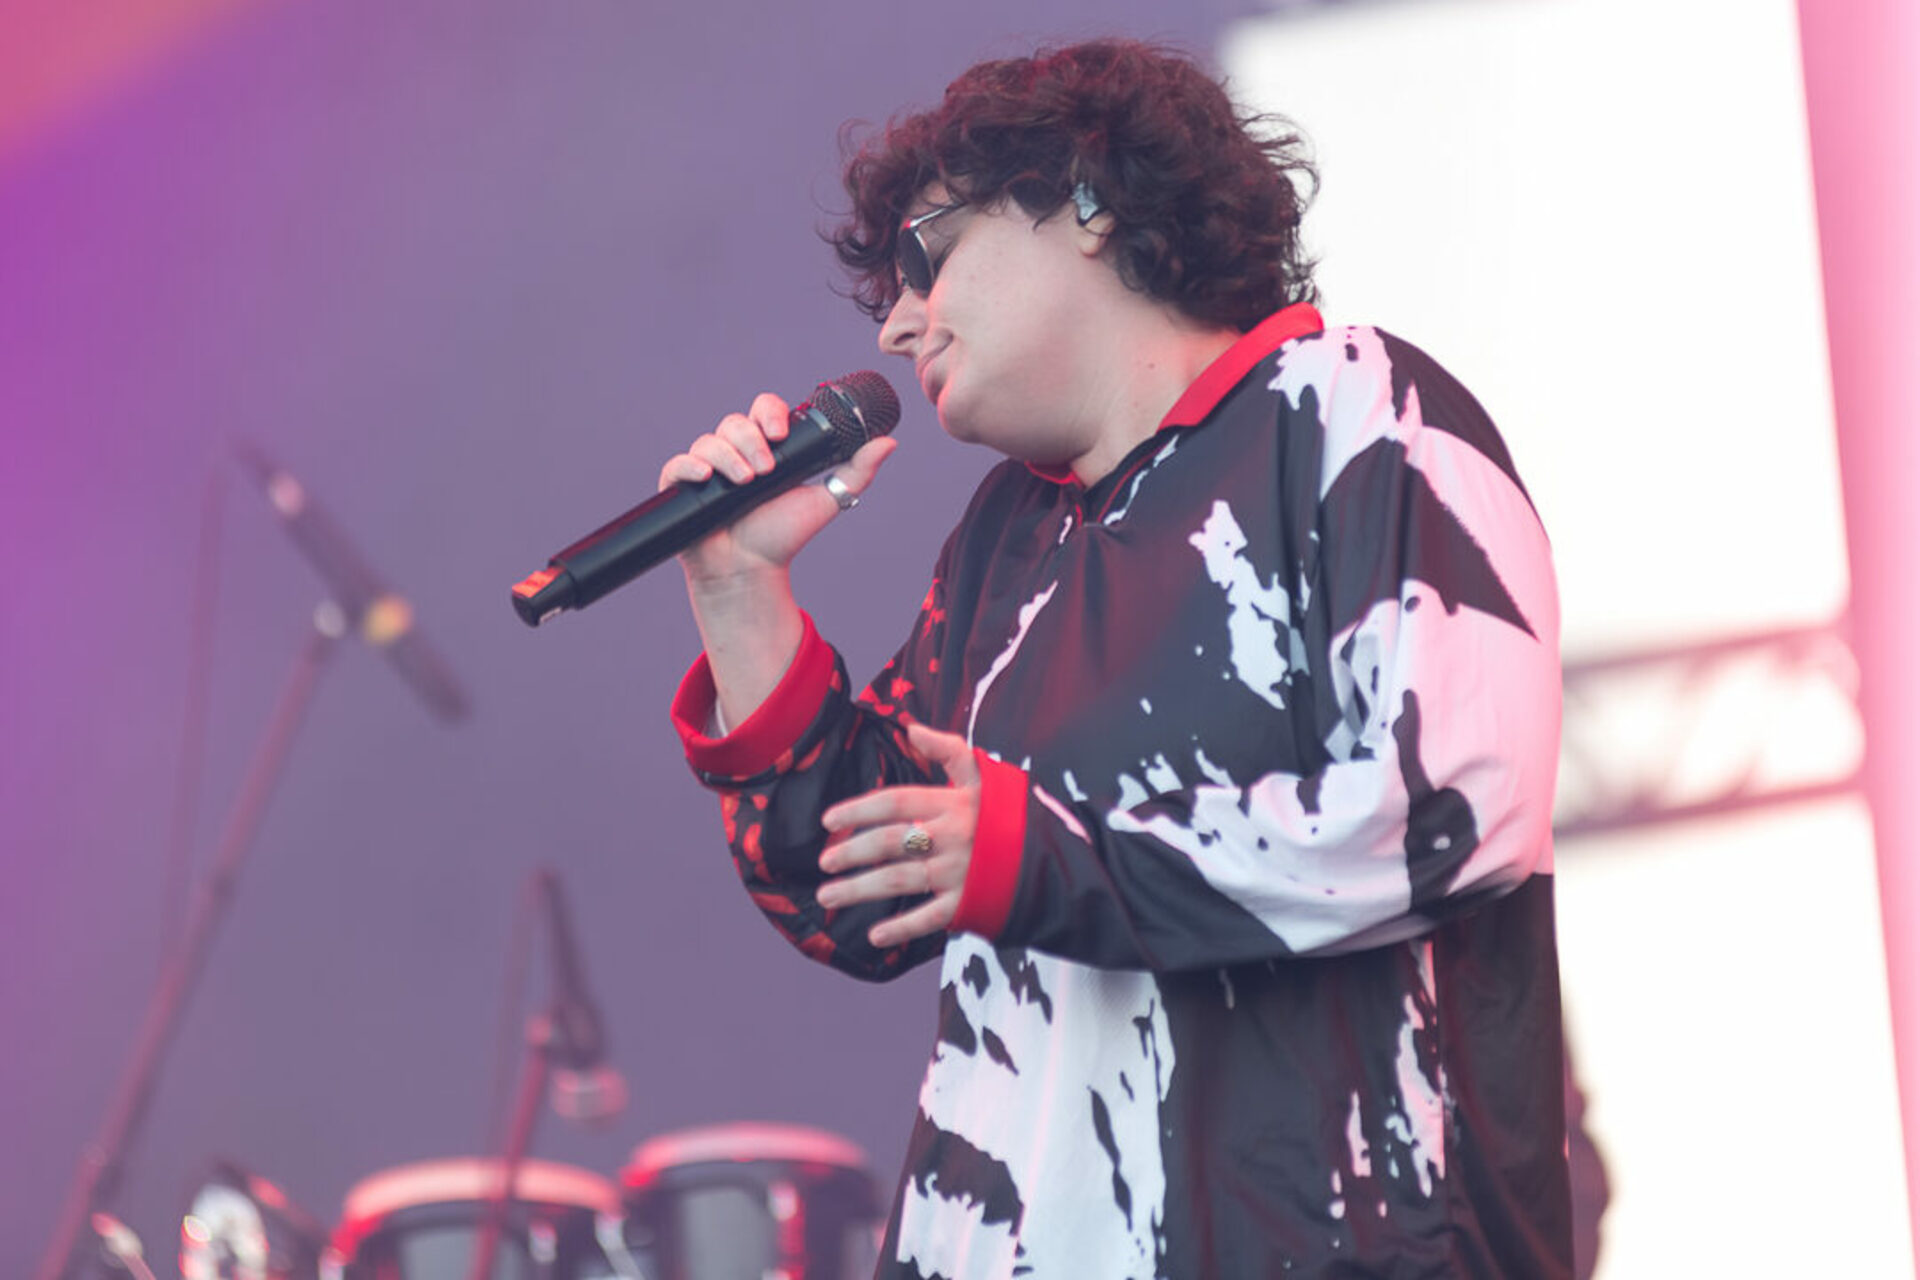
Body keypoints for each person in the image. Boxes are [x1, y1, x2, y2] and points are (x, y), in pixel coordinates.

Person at [661, 39, 1571, 1279]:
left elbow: (1456, 803)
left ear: (1085, 196)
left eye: (927, 254)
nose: (897, 320)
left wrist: (1043, 857)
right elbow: (861, 892)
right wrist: (737, 590)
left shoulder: (1355, 403)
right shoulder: (1006, 541)